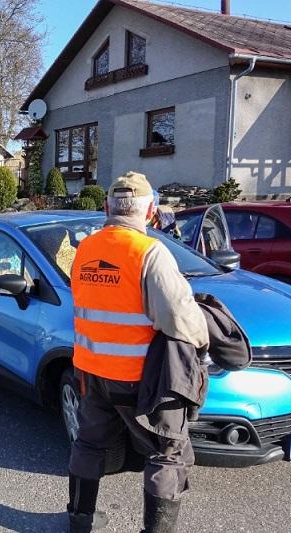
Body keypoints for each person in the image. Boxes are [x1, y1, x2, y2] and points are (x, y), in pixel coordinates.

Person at [66, 171, 208, 533]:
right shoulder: (149, 252)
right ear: (149, 212)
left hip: (91, 371)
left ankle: (80, 520)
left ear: (106, 208)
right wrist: (205, 344)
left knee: (89, 443)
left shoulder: (85, 249)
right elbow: (179, 318)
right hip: (141, 378)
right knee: (167, 453)